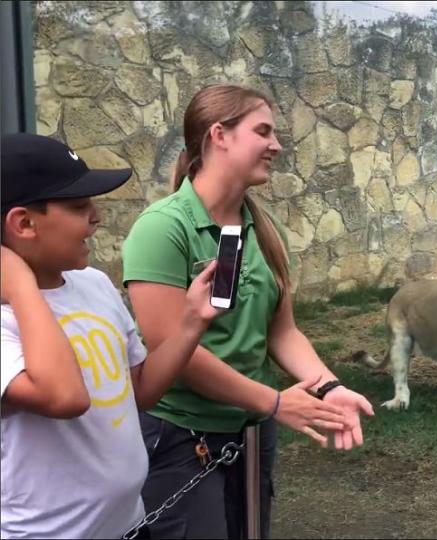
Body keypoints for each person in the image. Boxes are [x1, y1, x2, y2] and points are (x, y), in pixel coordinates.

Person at [121, 83, 375, 539]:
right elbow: (169, 348)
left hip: (251, 435)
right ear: (219, 135)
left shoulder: (262, 227)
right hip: (181, 437)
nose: (276, 145)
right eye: (263, 131)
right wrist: (273, 401)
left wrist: (327, 386)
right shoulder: (162, 228)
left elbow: (282, 331)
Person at [0, 133, 223, 539]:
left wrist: (192, 323)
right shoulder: (6, 319)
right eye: (78, 206)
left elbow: (139, 390)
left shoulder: (94, 284)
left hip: (128, 526)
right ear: (23, 223)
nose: (97, 216)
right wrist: (18, 285)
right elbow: (66, 397)